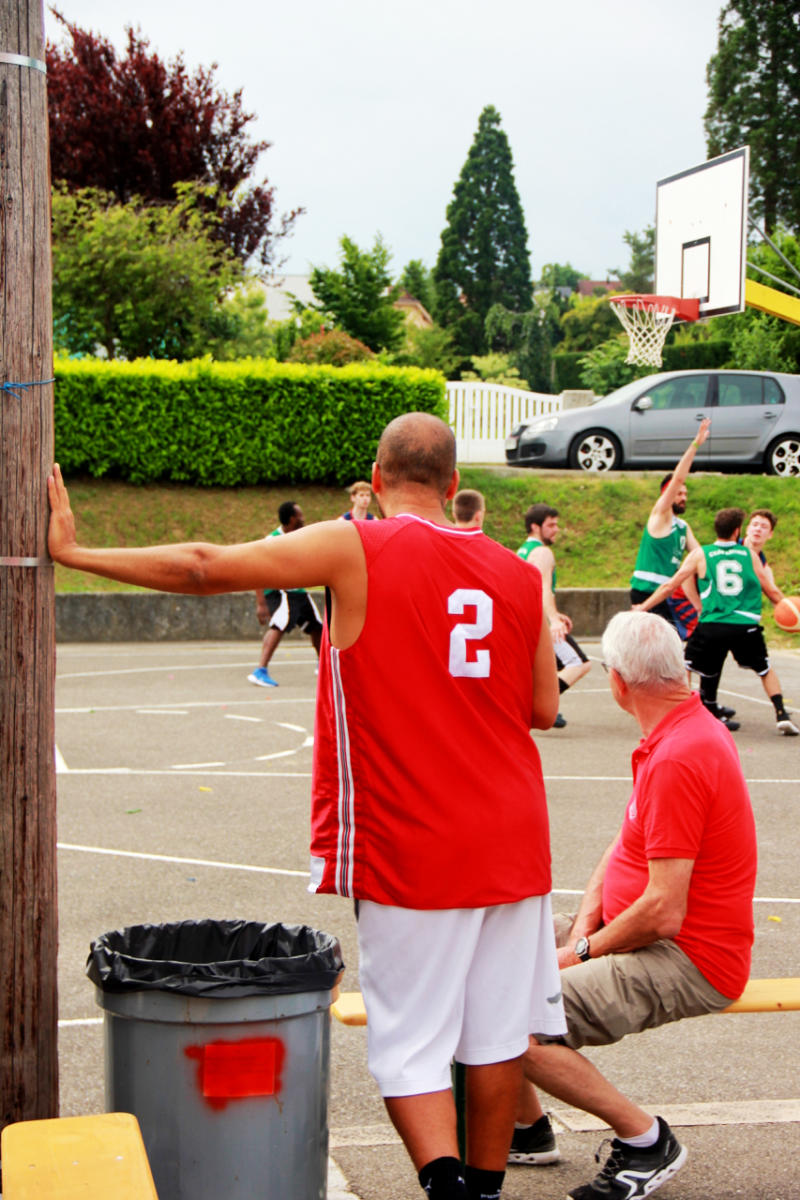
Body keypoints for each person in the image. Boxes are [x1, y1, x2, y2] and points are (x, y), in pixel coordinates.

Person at [48, 412, 565, 1200]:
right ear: (455, 484)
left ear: (377, 480)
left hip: (417, 839)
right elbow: (541, 707)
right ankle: (486, 1190)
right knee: (495, 1037)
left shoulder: (358, 545)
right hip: (516, 835)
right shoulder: (519, 574)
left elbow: (204, 566)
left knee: (410, 1044)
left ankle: (449, 1189)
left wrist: (76, 552)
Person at [510, 610, 756, 1200]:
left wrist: (580, 953)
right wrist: (584, 926)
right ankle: (528, 1128)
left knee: (510, 1022)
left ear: (618, 682)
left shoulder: (679, 755)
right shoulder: (677, 730)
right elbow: (623, 844)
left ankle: (645, 1140)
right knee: (487, 959)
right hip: (640, 931)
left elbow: (664, 911)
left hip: (688, 956)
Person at [634, 508, 798, 735]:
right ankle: (781, 714)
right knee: (764, 669)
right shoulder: (749, 555)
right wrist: (791, 610)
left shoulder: (701, 554)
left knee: (687, 666)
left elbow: (670, 586)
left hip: (713, 623)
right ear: (738, 531)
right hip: (745, 625)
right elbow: (771, 590)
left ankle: (680, 713)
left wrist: (642, 607)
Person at [629, 418, 711, 628]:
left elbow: (699, 557)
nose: (683, 497)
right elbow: (678, 478)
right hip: (646, 592)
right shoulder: (660, 515)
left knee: (671, 640)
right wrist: (695, 445)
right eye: (679, 493)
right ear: (667, 494)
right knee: (664, 641)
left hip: (665, 594)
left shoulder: (683, 527)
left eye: (685, 494)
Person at [517, 503, 591, 728]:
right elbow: (542, 588)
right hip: (538, 620)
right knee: (578, 664)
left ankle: (535, 704)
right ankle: (538, 705)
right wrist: (554, 619)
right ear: (535, 527)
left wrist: (556, 613)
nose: (556, 529)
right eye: (551, 525)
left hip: (526, 618)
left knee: (543, 668)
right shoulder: (543, 552)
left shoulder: (523, 551)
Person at [248, 500, 323, 687]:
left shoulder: (300, 537)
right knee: (280, 625)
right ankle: (260, 670)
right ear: (291, 519)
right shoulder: (272, 541)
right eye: (300, 515)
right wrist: (261, 603)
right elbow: (256, 570)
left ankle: (324, 666)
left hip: (297, 591)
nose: (303, 519)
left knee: (317, 626)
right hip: (279, 591)